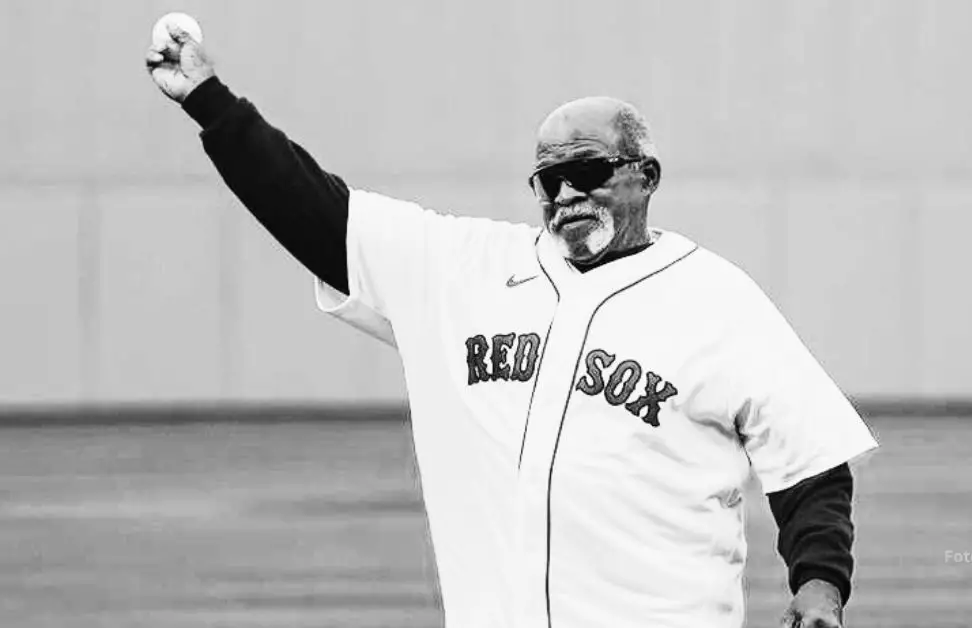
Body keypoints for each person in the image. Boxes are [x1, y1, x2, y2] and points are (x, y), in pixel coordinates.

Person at [145, 23, 878, 628]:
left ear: (645, 176)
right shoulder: (464, 271)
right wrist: (213, 104)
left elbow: (808, 459)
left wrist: (819, 586)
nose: (565, 193)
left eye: (586, 170)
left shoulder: (717, 301)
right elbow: (317, 213)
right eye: (547, 179)